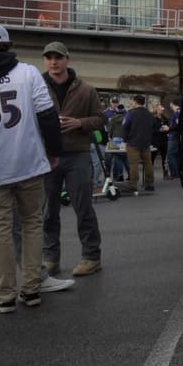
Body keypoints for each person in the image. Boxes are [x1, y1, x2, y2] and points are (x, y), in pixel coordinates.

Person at [0, 24, 64, 313]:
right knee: (32, 224)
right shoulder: (27, 72)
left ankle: (5, 294)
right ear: (8, 46)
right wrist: (54, 151)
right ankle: (32, 288)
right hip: (28, 161)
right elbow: (48, 114)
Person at [41, 41, 104, 277]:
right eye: (49, 58)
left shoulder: (86, 90)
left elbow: (100, 118)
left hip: (77, 154)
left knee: (83, 207)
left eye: (58, 57)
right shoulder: (35, 86)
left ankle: (91, 256)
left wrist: (80, 123)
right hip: (47, 156)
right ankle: (50, 258)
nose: (53, 62)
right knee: (48, 211)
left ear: (67, 59)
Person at [122, 94, 159, 191]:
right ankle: (149, 183)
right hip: (146, 143)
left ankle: (133, 185)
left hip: (133, 143)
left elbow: (124, 126)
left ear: (135, 102)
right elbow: (155, 128)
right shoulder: (150, 114)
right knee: (148, 163)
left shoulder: (130, 113)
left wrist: (125, 140)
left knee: (133, 164)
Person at [165, 97, 181, 179]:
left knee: (170, 155)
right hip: (176, 136)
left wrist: (169, 129)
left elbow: (179, 125)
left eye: (170, 103)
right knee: (176, 155)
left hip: (174, 137)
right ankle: (178, 172)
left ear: (172, 103)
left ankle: (174, 174)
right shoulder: (179, 112)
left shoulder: (177, 112)